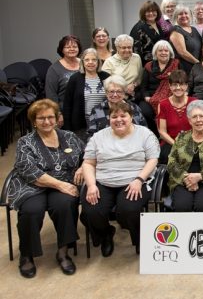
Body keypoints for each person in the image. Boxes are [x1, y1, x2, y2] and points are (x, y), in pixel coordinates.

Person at [9, 99, 84, 278]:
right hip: (33, 185)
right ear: (33, 121)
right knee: (31, 211)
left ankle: (63, 252)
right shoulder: (25, 142)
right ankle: (26, 256)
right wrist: (61, 185)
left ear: (57, 118)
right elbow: (30, 171)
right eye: (41, 118)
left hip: (63, 186)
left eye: (51, 117)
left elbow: (86, 156)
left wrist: (82, 167)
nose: (47, 121)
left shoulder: (69, 136)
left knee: (65, 205)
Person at [81, 101, 159, 256]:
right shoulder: (98, 136)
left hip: (135, 180)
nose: (119, 119)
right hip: (104, 180)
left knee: (128, 210)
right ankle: (106, 235)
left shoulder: (144, 134)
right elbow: (88, 163)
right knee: (91, 211)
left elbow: (152, 159)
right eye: (114, 116)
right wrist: (90, 185)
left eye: (123, 115)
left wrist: (139, 180)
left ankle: (139, 239)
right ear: (109, 119)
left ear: (131, 117)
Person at [167, 100, 203, 212]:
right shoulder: (182, 137)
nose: (198, 120)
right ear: (189, 120)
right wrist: (187, 178)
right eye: (194, 117)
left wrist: (200, 176)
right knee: (182, 206)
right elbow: (171, 161)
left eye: (201, 116)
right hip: (183, 180)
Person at [62, 48, 110, 141]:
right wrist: (67, 128)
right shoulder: (75, 79)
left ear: (98, 62)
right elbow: (67, 104)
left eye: (94, 59)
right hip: (82, 123)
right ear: (82, 62)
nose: (90, 62)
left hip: (103, 121)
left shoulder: (106, 76)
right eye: (87, 60)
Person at [138, 40, 180, 133]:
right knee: (145, 112)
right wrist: (146, 96)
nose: (163, 53)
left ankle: (169, 134)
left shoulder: (176, 64)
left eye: (166, 51)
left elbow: (182, 82)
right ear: (155, 53)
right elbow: (143, 86)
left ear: (170, 52)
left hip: (171, 96)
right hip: (151, 97)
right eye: (160, 51)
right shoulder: (149, 66)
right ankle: (155, 133)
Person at [157, 70, 197, 163]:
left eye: (181, 84)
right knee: (167, 156)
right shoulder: (163, 104)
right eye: (175, 84)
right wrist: (176, 145)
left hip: (192, 141)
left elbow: (201, 126)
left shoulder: (194, 102)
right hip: (170, 142)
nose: (178, 88)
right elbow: (162, 132)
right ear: (170, 86)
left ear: (186, 86)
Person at [46, 35, 81, 112]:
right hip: (65, 110)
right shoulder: (54, 69)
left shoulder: (85, 64)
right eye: (68, 47)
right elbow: (51, 95)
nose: (72, 49)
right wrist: (58, 113)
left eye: (75, 47)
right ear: (62, 50)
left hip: (85, 110)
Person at [101, 34, 142, 99]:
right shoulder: (109, 62)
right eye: (124, 47)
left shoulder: (136, 58)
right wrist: (124, 89)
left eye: (129, 47)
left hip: (134, 94)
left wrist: (134, 85)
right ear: (117, 48)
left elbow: (140, 78)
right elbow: (105, 84)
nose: (127, 50)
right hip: (116, 96)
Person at [169, 5, 202, 74]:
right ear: (176, 17)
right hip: (183, 69)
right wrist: (198, 63)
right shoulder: (176, 30)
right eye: (180, 14)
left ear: (190, 15)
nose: (184, 16)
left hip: (196, 68)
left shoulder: (194, 29)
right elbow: (182, 53)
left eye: (186, 13)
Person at [129, 0, 162, 65]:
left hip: (159, 62)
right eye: (148, 11)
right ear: (143, 13)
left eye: (153, 11)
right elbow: (136, 50)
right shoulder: (139, 27)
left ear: (157, 12)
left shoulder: (158, 25)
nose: (151, 13)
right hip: (146, 64)